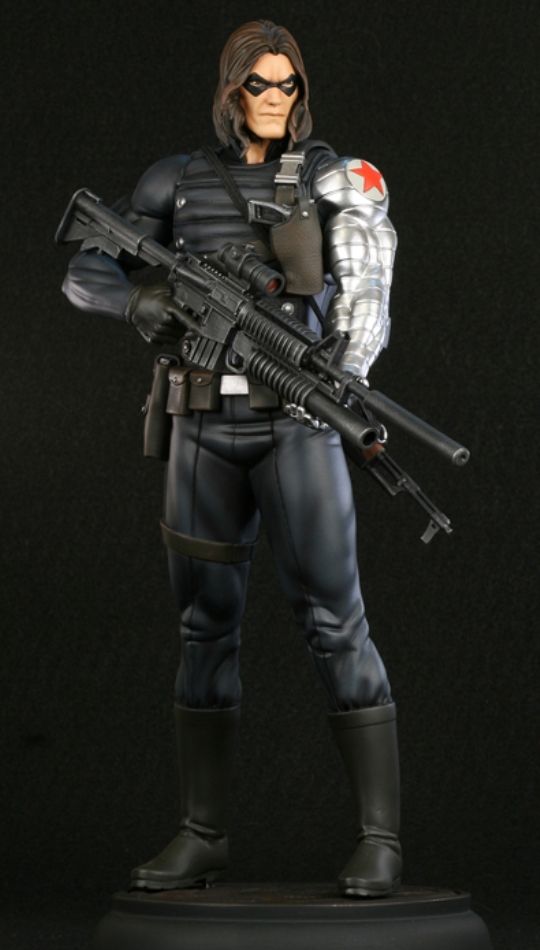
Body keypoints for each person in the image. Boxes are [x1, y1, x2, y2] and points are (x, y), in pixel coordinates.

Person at [62, 19, 400, 898]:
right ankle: (202, 834)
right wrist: (143, 304)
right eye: (260, 84)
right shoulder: (175, 181)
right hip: (202, 427)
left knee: (337, 622)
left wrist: (352, 362)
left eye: (289, 85)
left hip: (298, 424)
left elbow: (367, 275)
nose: (276, 99)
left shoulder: (328, 177)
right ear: (231, 90)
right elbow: (85, 272)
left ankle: (380, 839)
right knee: (204, 627)